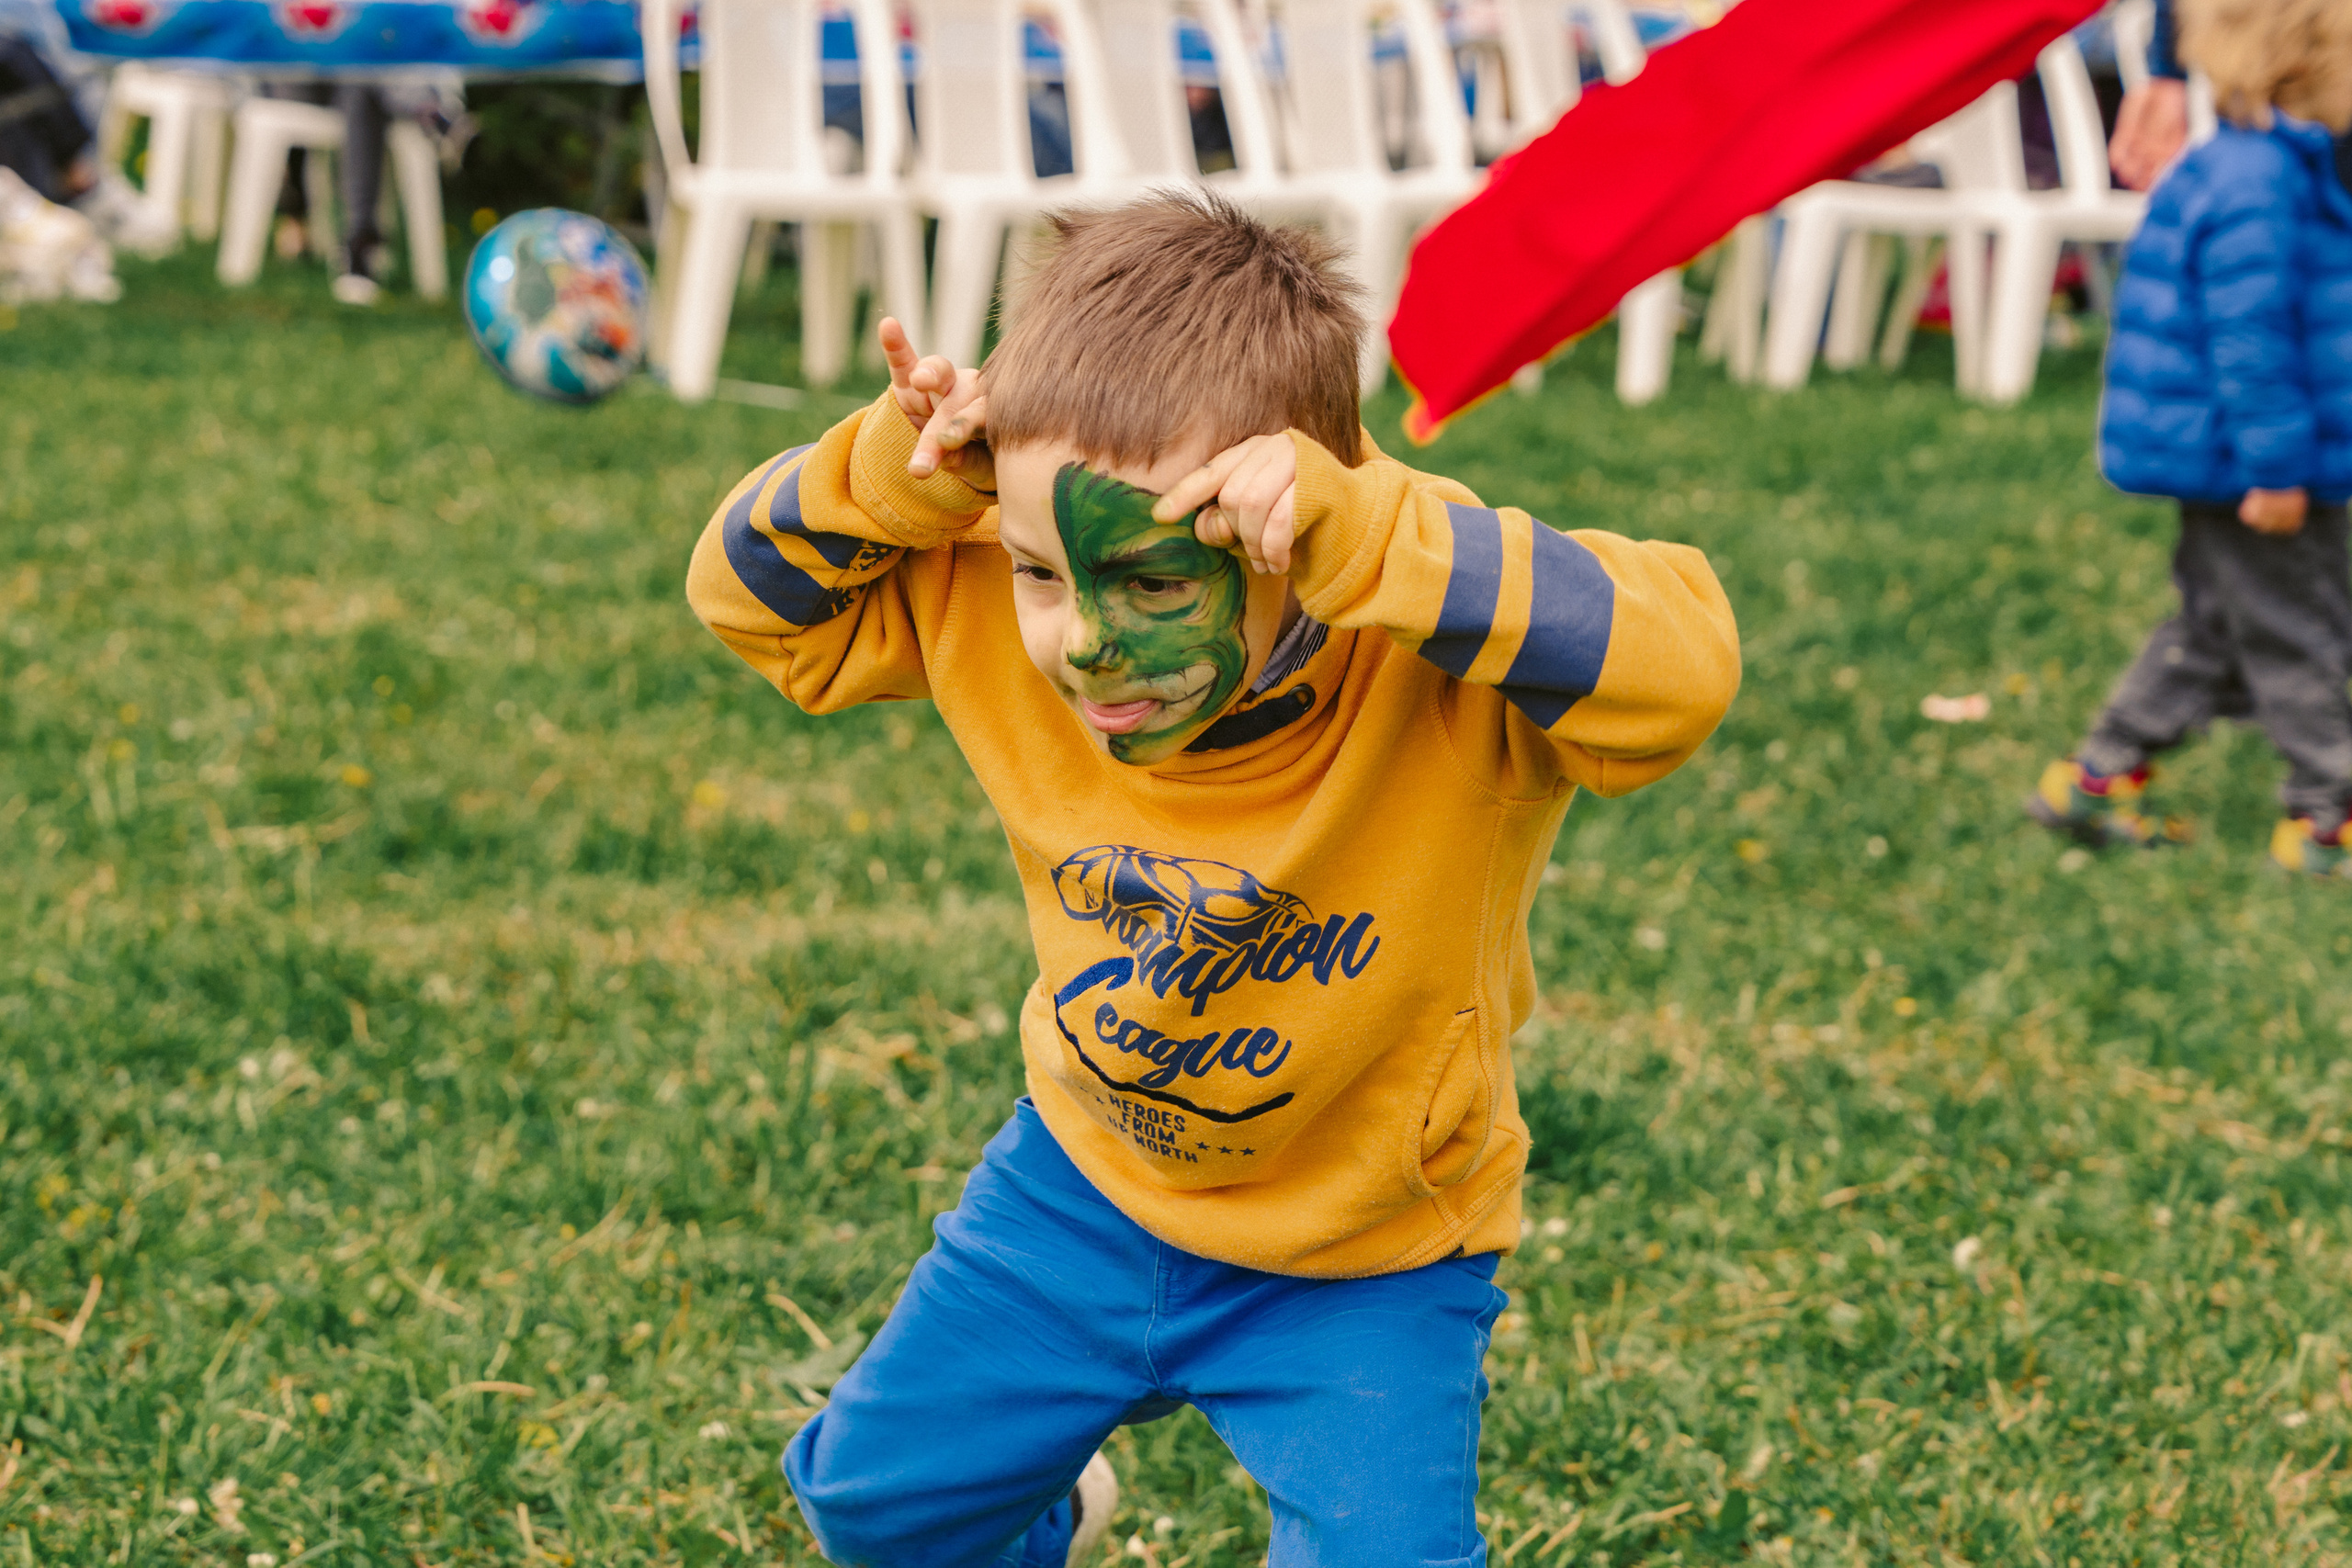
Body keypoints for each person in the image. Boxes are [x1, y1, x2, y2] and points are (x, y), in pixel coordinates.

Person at [685, 190, 1740, 1568]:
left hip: (1368, 1250)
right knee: (875, 1505)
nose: (1084, 644)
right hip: (1081, 1188)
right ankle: (1047, 1519)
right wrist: (899, 477)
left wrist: (1381, 537)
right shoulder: (1000, 596)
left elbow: (1687, 671)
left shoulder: (1420, 628)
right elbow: (742, 598)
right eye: (1039, 572)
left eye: (1149, 581)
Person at [2030, 0, 2352, 874]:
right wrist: (2280, 472)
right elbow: (2254, 351)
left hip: (2237, 461)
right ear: (2308, 65)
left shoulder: (2264, 167)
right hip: (2256, 468)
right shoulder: (2262, 186)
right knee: (2305, 629)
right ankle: (2328, 817)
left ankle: (2092, 780)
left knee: (2217, 625)